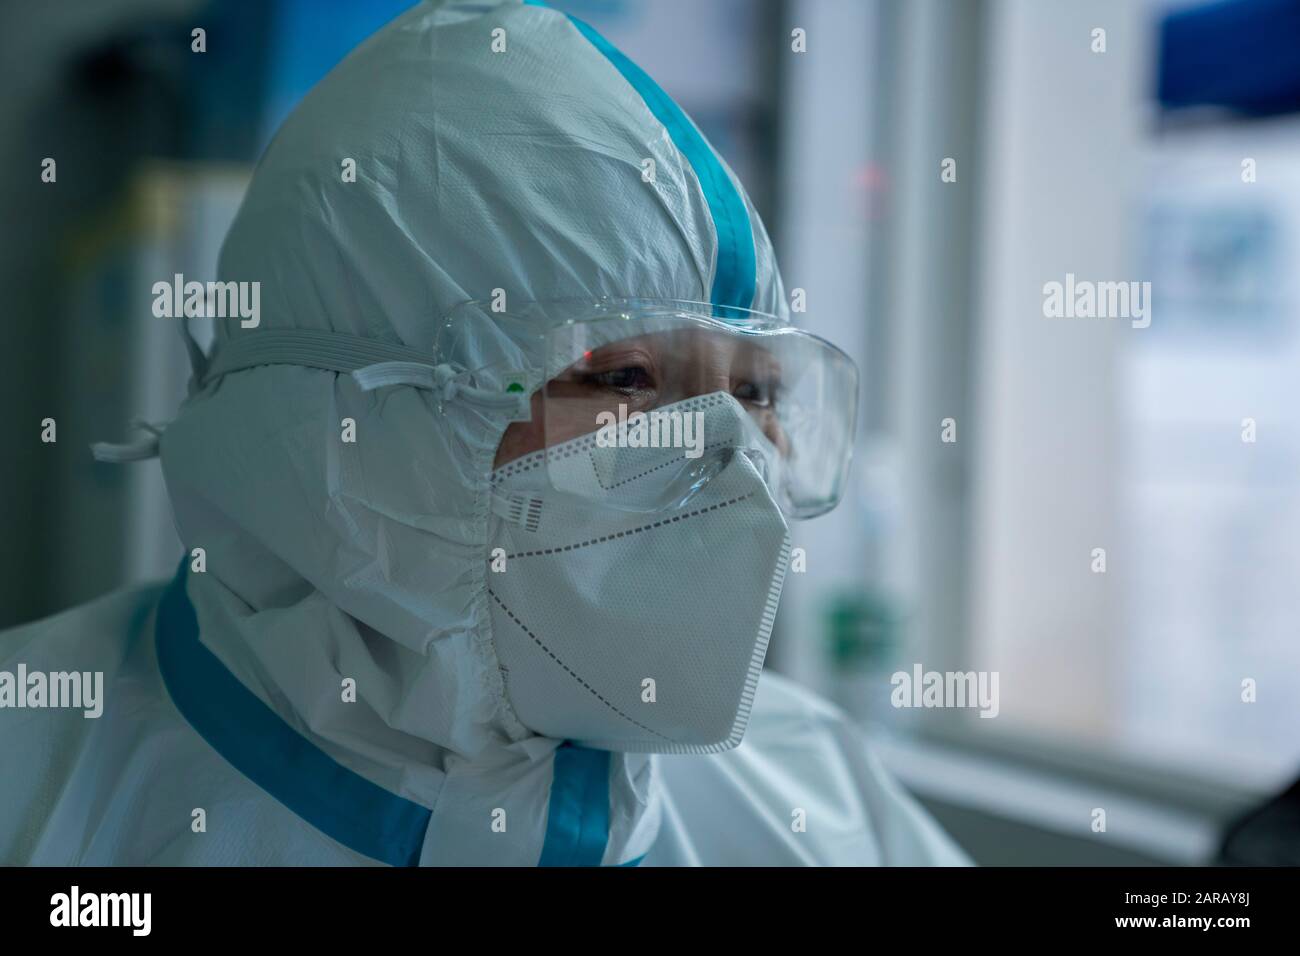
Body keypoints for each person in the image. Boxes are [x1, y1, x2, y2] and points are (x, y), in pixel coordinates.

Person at [0, 0, 967, 866]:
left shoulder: (822, 804)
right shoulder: (33, 773)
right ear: (352, 415)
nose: (732, 473)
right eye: (623, 380)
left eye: (757, 396)